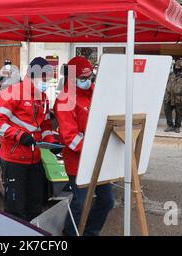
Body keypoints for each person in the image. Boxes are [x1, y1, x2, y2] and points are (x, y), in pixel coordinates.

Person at [0, 57, 57, 221]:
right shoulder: (12, 93)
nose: (46, 82)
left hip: (34, 159)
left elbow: (45, 124)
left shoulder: (43, 98)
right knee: (15, 209)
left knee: (35, 206)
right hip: (14, 160)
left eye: (47, 79)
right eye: (44, 78)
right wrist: (20, 136)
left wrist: (51, 142)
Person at [54, 56, 114, 236]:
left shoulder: (95, 92)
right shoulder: (65, 100)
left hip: (98, 159)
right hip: (77, 163)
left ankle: (90, 232)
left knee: (107, 201)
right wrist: (91, 148)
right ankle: (69, 234)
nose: (87, 82)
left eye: (89, 77)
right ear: (72, 79)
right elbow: (69, 136)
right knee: (80, 204)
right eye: (82, 79)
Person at [164, 58, 182, 133]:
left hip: (179, 97)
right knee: (167, 109)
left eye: (178, 67)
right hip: (169, 97)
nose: (177, 68)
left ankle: (177, 126)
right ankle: (170, 125)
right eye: (176, 67)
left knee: (179, 112)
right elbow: (166, 82)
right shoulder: (171, 74)